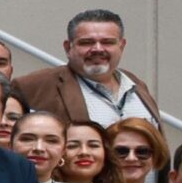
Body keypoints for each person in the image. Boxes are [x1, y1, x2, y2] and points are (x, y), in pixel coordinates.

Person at [16, 8, 159, 131]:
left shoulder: (136, 85)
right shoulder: (35, 87)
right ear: (68, 47)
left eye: (107, 42)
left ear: (121, 46)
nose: (97, 49)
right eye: (86, 42)